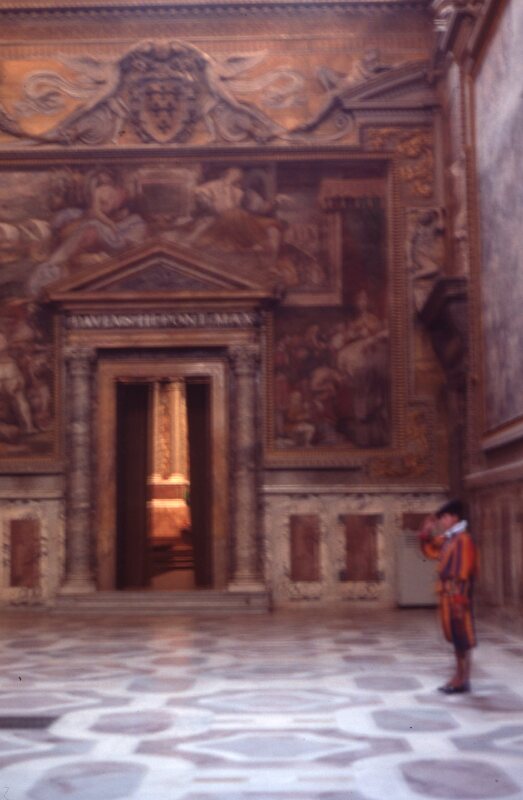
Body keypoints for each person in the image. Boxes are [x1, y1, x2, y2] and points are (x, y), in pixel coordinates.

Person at [418, 499, 478, 693]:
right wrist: (426, 533)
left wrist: (460, 597)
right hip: (448, 595)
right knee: (455, 636)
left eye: (444, 517)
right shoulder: (450, 538)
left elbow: (464, 571)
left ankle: (462, 679)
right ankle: (459, 676)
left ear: (454, 517)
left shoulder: (463, 539)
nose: (442, 521)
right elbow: (431, 551)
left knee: (462, 637)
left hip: (457, 595)